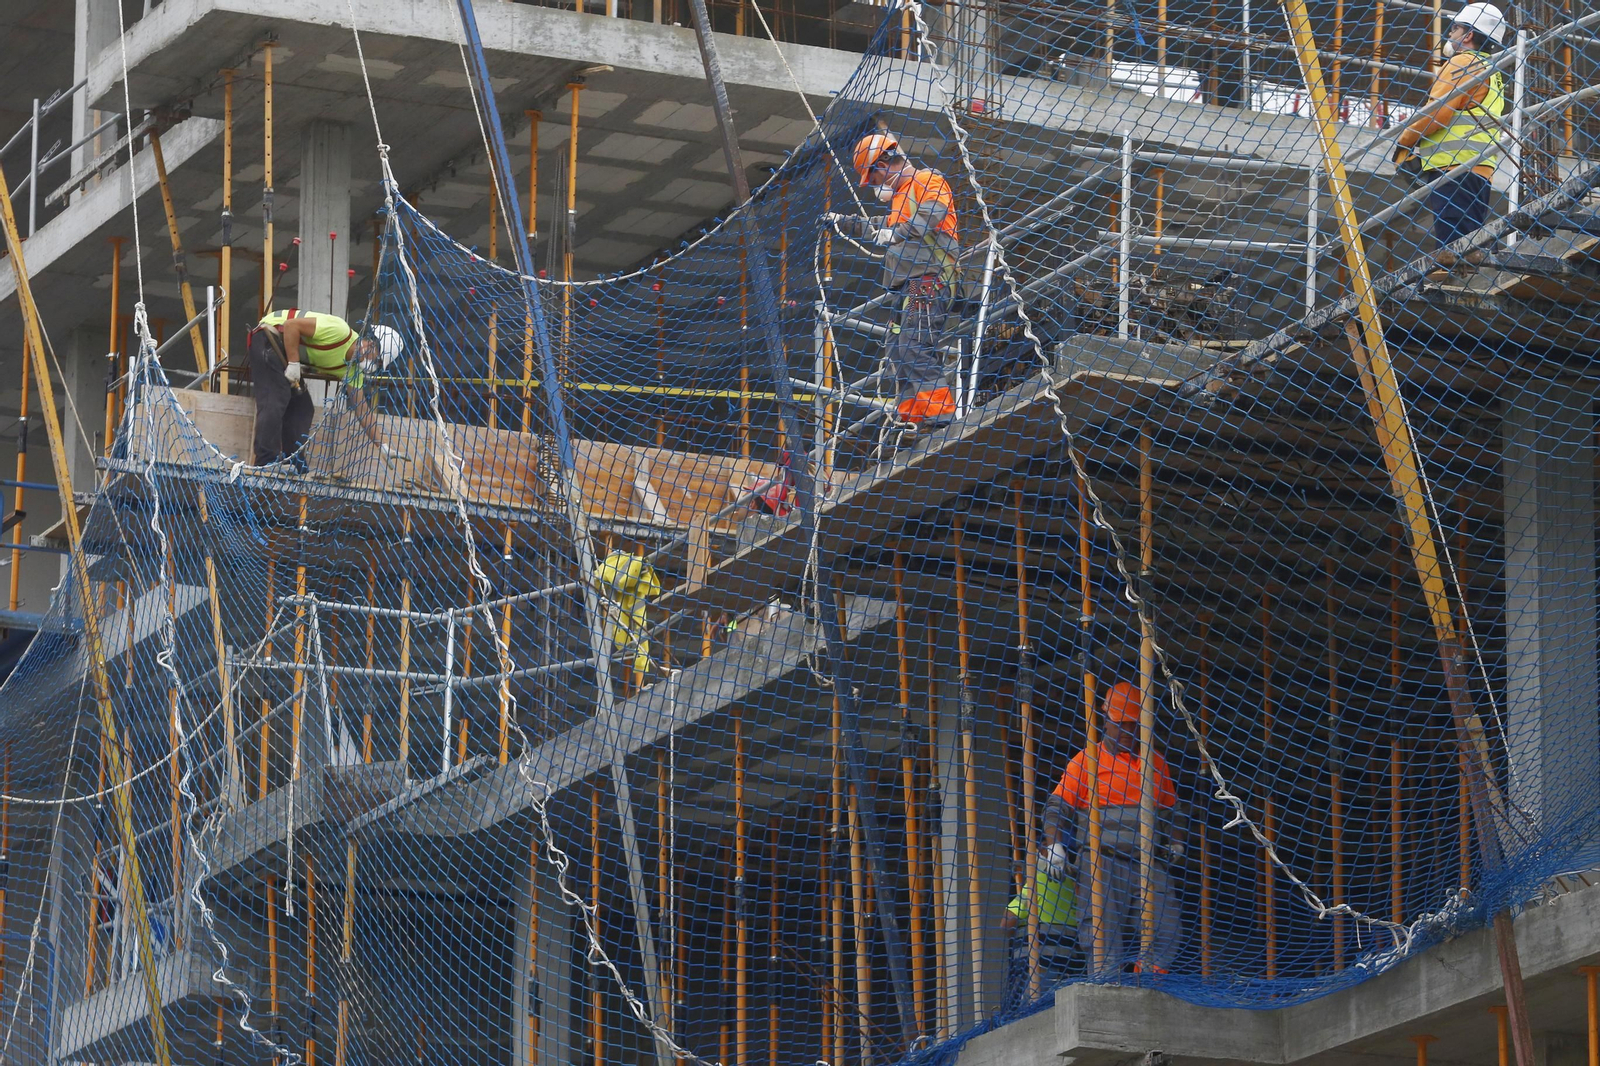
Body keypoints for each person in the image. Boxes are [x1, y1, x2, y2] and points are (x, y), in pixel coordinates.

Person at [1045, 680, 1183, 975]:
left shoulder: (1154, 763)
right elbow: (1056, 808)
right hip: (1101, 861)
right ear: (1106, 719)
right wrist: (1055, 846)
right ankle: (1106, 987)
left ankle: (1147, 981)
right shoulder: (1086, 762)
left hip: (1146, 861)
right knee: (1101, 934)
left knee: (1167, 928)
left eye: (1133, 725)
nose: (1127, 731)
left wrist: (1175, 840)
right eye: (1121, 724)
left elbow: (1171, 809)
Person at [825, 131, 960, 427]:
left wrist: (895, 233)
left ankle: (942, 419)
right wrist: (842, 221)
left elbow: (931, 215)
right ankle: (910, 423)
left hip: (928, 281)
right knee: (898, 352)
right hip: (907, 288)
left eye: (873, 178)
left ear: (883, 164)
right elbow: (880, 226)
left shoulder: (928, 180)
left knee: (914, 345)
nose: (875, 185)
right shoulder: (900, 199)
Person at [1392, 2, 1508, 266]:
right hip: (1478, 167)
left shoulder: (1463, 61)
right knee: (1466, 241)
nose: (1450, 34)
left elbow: (1437, 112)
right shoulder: (1491, 70)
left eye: (1455, 29)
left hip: (1454, 167)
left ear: (1468, 35)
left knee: (1452, 246)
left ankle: (1451, 275)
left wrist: (1404, 140)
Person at [248, 308, 404, 471]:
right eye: (377, 359)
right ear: (371, 344)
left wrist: (382, 445)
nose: (374, 365)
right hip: (268, 336)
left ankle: (292, 461)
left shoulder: (352, 371)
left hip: (284, 353)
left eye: (378, 364)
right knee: (276, 397)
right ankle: (265, 462)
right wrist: (294, 364)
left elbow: (362, 411)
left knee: (303, 407)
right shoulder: (339, 331)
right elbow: (291, 326)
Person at [1000, 829, 1081, 1006]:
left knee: (1027, 1016)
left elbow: (1006, 923)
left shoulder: (1039, 881)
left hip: (1039, 970)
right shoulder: (1079, 886)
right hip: (1069, 969)